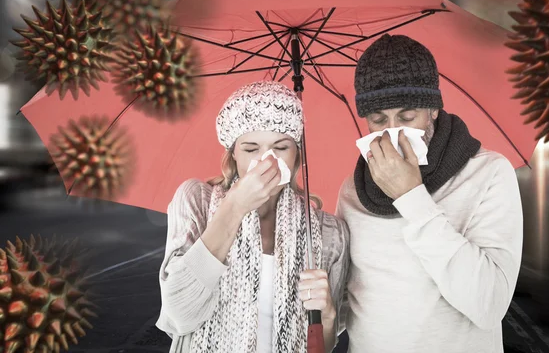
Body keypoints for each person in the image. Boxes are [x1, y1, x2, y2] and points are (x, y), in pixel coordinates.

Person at [336, 34, 523, 353]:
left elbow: (489, 305)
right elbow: (344, 306)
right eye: (378, 119)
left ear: (433, 108)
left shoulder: (489, 173)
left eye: (407, 117)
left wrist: (411, 197)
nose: (392, 130)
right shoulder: (353, 190)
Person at [156, 81, 350, 353]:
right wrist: (234, 207)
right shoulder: (197, 201)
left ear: (297, 156)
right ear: (233, 154)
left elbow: (323, 346)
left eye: (281, 147)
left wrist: (327, 318)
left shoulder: (328, 233)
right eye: (251, 149)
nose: (266, 159)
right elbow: (179, 316)